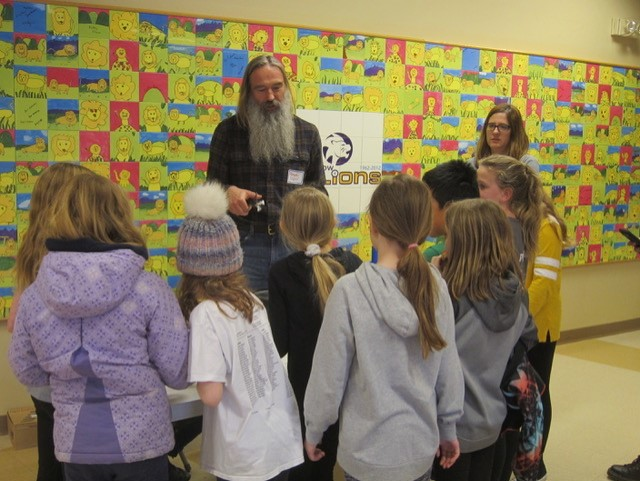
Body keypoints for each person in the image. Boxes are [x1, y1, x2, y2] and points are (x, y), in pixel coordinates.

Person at [9, 173, 189, 481]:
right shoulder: (150, 289)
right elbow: (178, 372)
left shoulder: (34, 296)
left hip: (75, 445)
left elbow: (26, 370)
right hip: (142, 441)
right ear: (119, 216)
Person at [303, 174, 464, 481]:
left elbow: (328, 376)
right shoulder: (436, 286)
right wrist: (448, 427)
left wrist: (314, 429)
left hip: (365, 455)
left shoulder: (349, 291)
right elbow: (449, 368)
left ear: (373, 225)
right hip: (419, 449)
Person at [177, 181, 303, 481]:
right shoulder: (251, 300)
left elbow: (210, 395)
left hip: (244, 453)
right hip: (279, 439)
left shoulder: (206, 314)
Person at [431, 199, 536, 481]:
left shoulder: (450, 296)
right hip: (492, 421)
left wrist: (435, 277)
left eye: (449, 237)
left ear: (462, 244)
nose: (444, 244)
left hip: (449, 429)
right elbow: (528, 339)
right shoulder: (517, 296)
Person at [206, 54, 326, 295]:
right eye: (261, 89)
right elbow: (211, 190)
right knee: (242, 312)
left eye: (276, 87)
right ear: (248, 93)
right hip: (243, 246)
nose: (270, 96)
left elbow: (319, 191)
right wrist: (228, 193)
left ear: (286, 88)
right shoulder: (227, 132)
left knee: (292, 313)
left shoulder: (308, 134)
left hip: (293, 246)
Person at [268, 186, 362, 481]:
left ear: (284, 226)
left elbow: (279, 344)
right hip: (348, 384)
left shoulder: (281, 272)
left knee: (305, 465)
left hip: (305, 388)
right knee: (329, 461)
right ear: (332, 223)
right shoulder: (352, 265)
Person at [7, 163, 91, 481]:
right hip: (67, 382)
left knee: (51, 458)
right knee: (70, 461)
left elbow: (16, 322)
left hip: (40, 382)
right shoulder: (68, 256)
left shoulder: (31, 250)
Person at [525, 193, 571, 481]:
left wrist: (516, 318)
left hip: (539, 326)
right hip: (522, 323)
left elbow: (542, 283)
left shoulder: (546, 226)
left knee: (539, 393)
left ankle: (535, 462)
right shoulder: (519, 223)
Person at [476, 154, 543, 276]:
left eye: (482, 186)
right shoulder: (520, 225)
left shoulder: (496, 230)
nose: (474, 190)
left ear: (506, 194)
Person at [421, 159, 479, 262]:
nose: (422, 211)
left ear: (450, 209)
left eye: (427, 204)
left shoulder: (434, 255)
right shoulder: (479, 244)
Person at [469, 104, 540, 173]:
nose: (495, 132)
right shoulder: (472, 164)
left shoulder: (526, 164)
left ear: (514, 132)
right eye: (491, 126)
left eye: (503, 127)